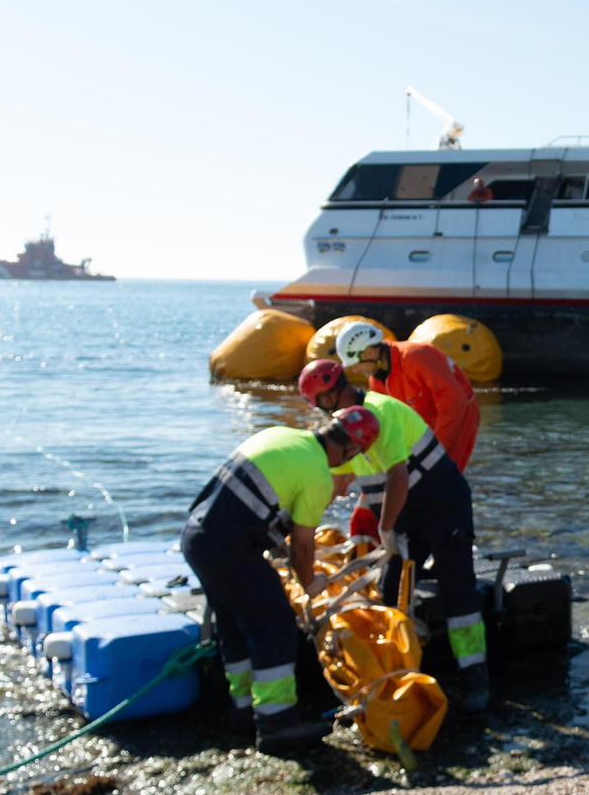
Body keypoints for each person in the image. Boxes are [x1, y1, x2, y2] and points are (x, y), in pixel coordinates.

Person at [180, 407, 378, 754]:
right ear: (350, 451)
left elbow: (253, 504)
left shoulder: (279, 434)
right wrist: (312, 583)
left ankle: (242, 715)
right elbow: (303, 546)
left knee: (235, 627)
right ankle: (276, 724)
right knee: (275, 623)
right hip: (229, 549)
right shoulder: (317, 473)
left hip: (197, 539)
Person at [298, 359, 489, 712]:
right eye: (317, 404)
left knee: (456, 588)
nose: (323, 409)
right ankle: (398, 669)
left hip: (443, 503)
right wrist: (297, 522)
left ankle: (475, 679)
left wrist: (385, 530)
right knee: (390, 588)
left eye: (324, 400)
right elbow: (336, 484)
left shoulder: (380, 412)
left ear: (338, 387)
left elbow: (398, 479)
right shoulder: (343, 429)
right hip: (405, 513)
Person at [335, 321, 480, 471]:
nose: (356, 370)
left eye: (357, 364)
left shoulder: (416, 356)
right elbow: (389, 422)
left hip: (460, 415)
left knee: (442, 474)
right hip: (425, 420)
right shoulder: (377, 381)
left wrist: (435, 450)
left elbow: (453, 402)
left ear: (370, 352)